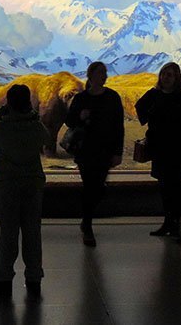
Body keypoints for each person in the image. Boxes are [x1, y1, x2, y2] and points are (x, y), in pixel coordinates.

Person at [0, 84, 51, 297]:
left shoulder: (1, 128)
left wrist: (0, 114)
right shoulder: (36, 128)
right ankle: (34, 277)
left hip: (8, 185)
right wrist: (32, 117)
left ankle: (3, 277)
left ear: (8, 104)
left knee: (8, 233)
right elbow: (47, 138)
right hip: (32, 185)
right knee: (32, 232)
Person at [134, 62, 181, 242]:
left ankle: (176, 224)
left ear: (176, 77)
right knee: (165, 187)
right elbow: (140, 106)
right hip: (160, 149)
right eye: (164, 74)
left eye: (170, 75)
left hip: (178, 149)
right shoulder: (154, 95)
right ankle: (168, 222)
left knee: (176, 187)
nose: (166, 77)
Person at [65, 61, 124, 247]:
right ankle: (88, 225)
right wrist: (79, 117)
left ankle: (86, 219)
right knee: (91, 185)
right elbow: (68, 121)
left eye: (105, 72)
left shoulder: (113, 98)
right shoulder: (81, 99)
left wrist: (118, 152)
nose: (104, 76)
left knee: (97, 188)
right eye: (100, 73)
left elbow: (118, 127)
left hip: (105, 150)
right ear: (91, 76)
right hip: (85, 150)